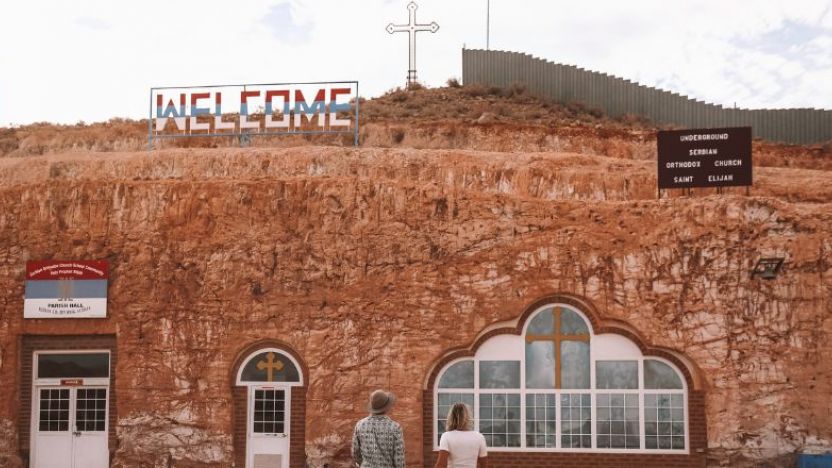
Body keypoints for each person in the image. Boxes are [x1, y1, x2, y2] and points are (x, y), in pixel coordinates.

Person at [352, 389, 406, 468]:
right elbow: (399, 459)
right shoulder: (395, 427)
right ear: (386, 407)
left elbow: (355, 452)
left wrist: (364, 464)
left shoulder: (360, 425)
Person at [435, 403, 488, 468]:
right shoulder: (479, 437)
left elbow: (441, 465)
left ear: (451, 417)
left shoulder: (446, 436)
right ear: (468, 417)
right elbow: (484, 465)